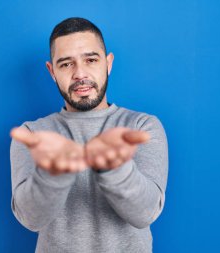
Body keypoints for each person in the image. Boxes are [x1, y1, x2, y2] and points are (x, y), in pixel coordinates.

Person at [10, 17, 168, 253]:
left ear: (108, 63)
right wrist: (52, 174)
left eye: (91, 60)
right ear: (52, 71)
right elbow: (30, 219)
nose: (79, 73)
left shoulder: (141, 127)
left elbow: (145, 214)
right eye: (66, 64)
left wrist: (114, 168)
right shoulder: (32, 135)